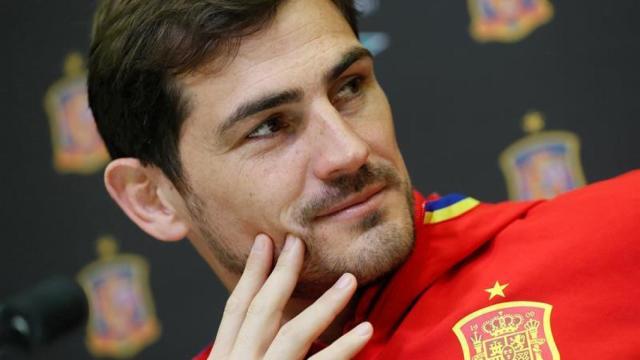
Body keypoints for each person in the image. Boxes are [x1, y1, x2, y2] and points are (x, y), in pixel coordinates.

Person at [87, 0, 640, 359]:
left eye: (349, 87)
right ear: (153, 198)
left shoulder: (619, 236)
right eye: (270, 127)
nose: (348, 152)